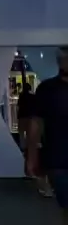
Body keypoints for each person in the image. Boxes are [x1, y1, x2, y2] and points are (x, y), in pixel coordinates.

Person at [27, 47, 68, 216]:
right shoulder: (47, 89)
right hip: (57, 159)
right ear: (59, 61)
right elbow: (36, 124)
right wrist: (32, 156)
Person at [17, 83, 35, 151]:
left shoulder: (21, 96)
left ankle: (23, 147)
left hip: (22, 116)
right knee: (29, 132)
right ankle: (29, 146)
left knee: (21, 133)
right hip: (30, 116)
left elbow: (19, 105)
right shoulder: (32, 97)